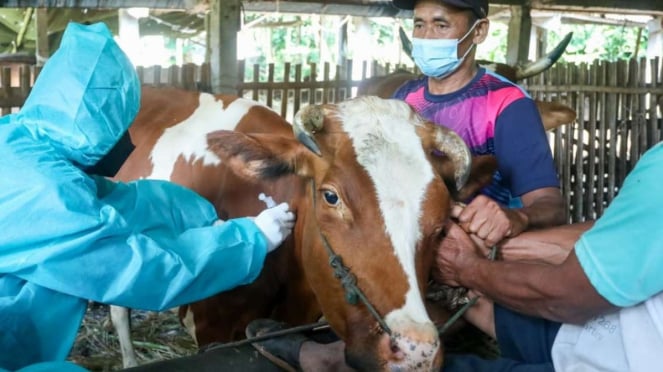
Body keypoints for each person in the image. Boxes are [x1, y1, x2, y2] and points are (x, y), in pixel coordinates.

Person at [243, 0, 566, 370]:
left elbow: (551, 206)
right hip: (406, 257)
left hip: (472, 261)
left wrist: (514, 218)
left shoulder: (508, 105)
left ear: (478, 32)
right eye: (420, 24)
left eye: (441, 25)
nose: (427, 36)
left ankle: (330, 357)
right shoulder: (402, 102)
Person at [0, 22, 295, 372]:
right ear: (91, 125)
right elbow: (140, 270)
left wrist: (200, 212)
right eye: (115, 124)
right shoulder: (50, 195)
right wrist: (249, 240)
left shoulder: (21, 145)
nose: (125, 138)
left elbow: (124, 201)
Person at [435, 140, 663, 371]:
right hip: (611, 333)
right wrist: (493, 246)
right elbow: (621, 239)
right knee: (481, 306)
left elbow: (570, 296)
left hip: (614, 355)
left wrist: (466, 267)